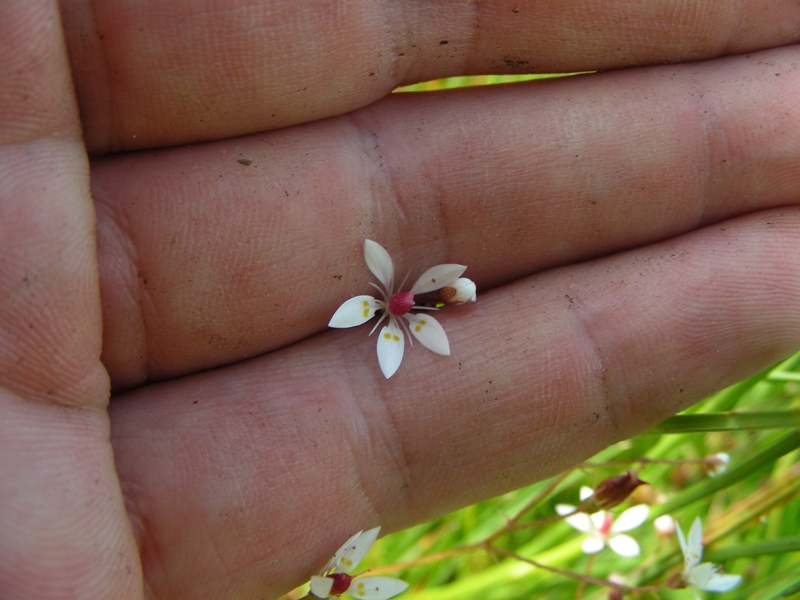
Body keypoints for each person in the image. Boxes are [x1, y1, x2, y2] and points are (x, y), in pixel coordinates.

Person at [1, 1, 798, 598]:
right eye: (408, 304)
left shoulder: (401, 305)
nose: (412, 308)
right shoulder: (384, 301)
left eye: (416, 306)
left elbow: (404, 305)